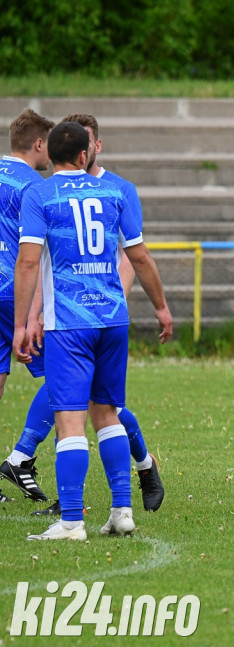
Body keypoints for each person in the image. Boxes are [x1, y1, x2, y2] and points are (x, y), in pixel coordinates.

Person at [14, 121, 173, 541]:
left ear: (49, 153)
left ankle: (70, 521)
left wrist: (21, 324)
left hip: (69, 324)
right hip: (112, 321)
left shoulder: (40, 193)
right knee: (107, 415)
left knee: (70, 421)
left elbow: (29, 263)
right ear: (87, 154)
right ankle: (122, 511)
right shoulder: (115, 192)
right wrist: (160, 307)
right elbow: (139, 257)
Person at [0, 109, 55, 504]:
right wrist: (31, 315)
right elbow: (33, 256)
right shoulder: (35, 187)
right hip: (13, 292)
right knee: (69, 376)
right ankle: (21, 457)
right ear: (39, 144)